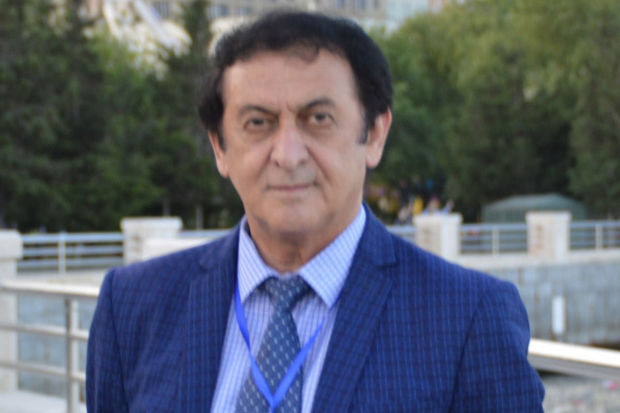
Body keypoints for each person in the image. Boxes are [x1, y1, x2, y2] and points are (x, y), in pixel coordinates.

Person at [86, 11, 544, 412]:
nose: (287, 155)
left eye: (318, 119)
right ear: (220, 148)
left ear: (375, 134)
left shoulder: (465, 318)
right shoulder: (133, 306)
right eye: (258, 123)